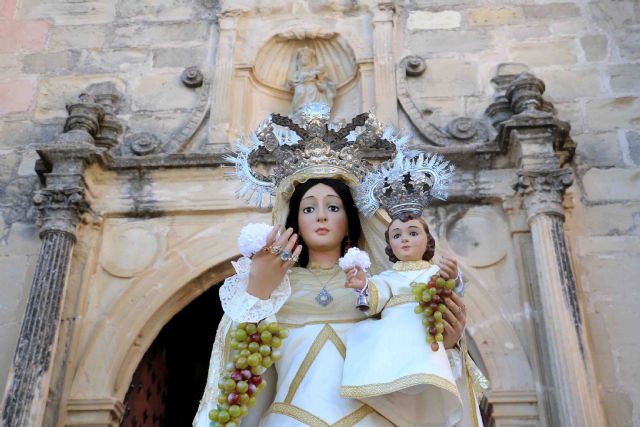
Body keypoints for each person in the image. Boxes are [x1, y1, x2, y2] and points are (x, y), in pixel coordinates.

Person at [194, 178, 469, 426]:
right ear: (295, 220)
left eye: (334, 208)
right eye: (309, 209)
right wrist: (257, 291)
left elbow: (405, 343)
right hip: (290, 419)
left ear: (350, 218)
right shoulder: (276, 287)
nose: (322, 216)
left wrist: (441, 345)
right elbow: (238, 361)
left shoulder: (376, 284)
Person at [340, 214, 481, 427]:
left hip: (426, 330)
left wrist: (452, 276)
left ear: (428, 241)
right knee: (362, 335)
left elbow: (453, 290)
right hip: (395, 332)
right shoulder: (388, 277)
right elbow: (374, 299)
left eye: (413, 233)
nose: (404, 239)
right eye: (397, 235)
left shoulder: (434, 272)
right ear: (389, 245)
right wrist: (363, 286)